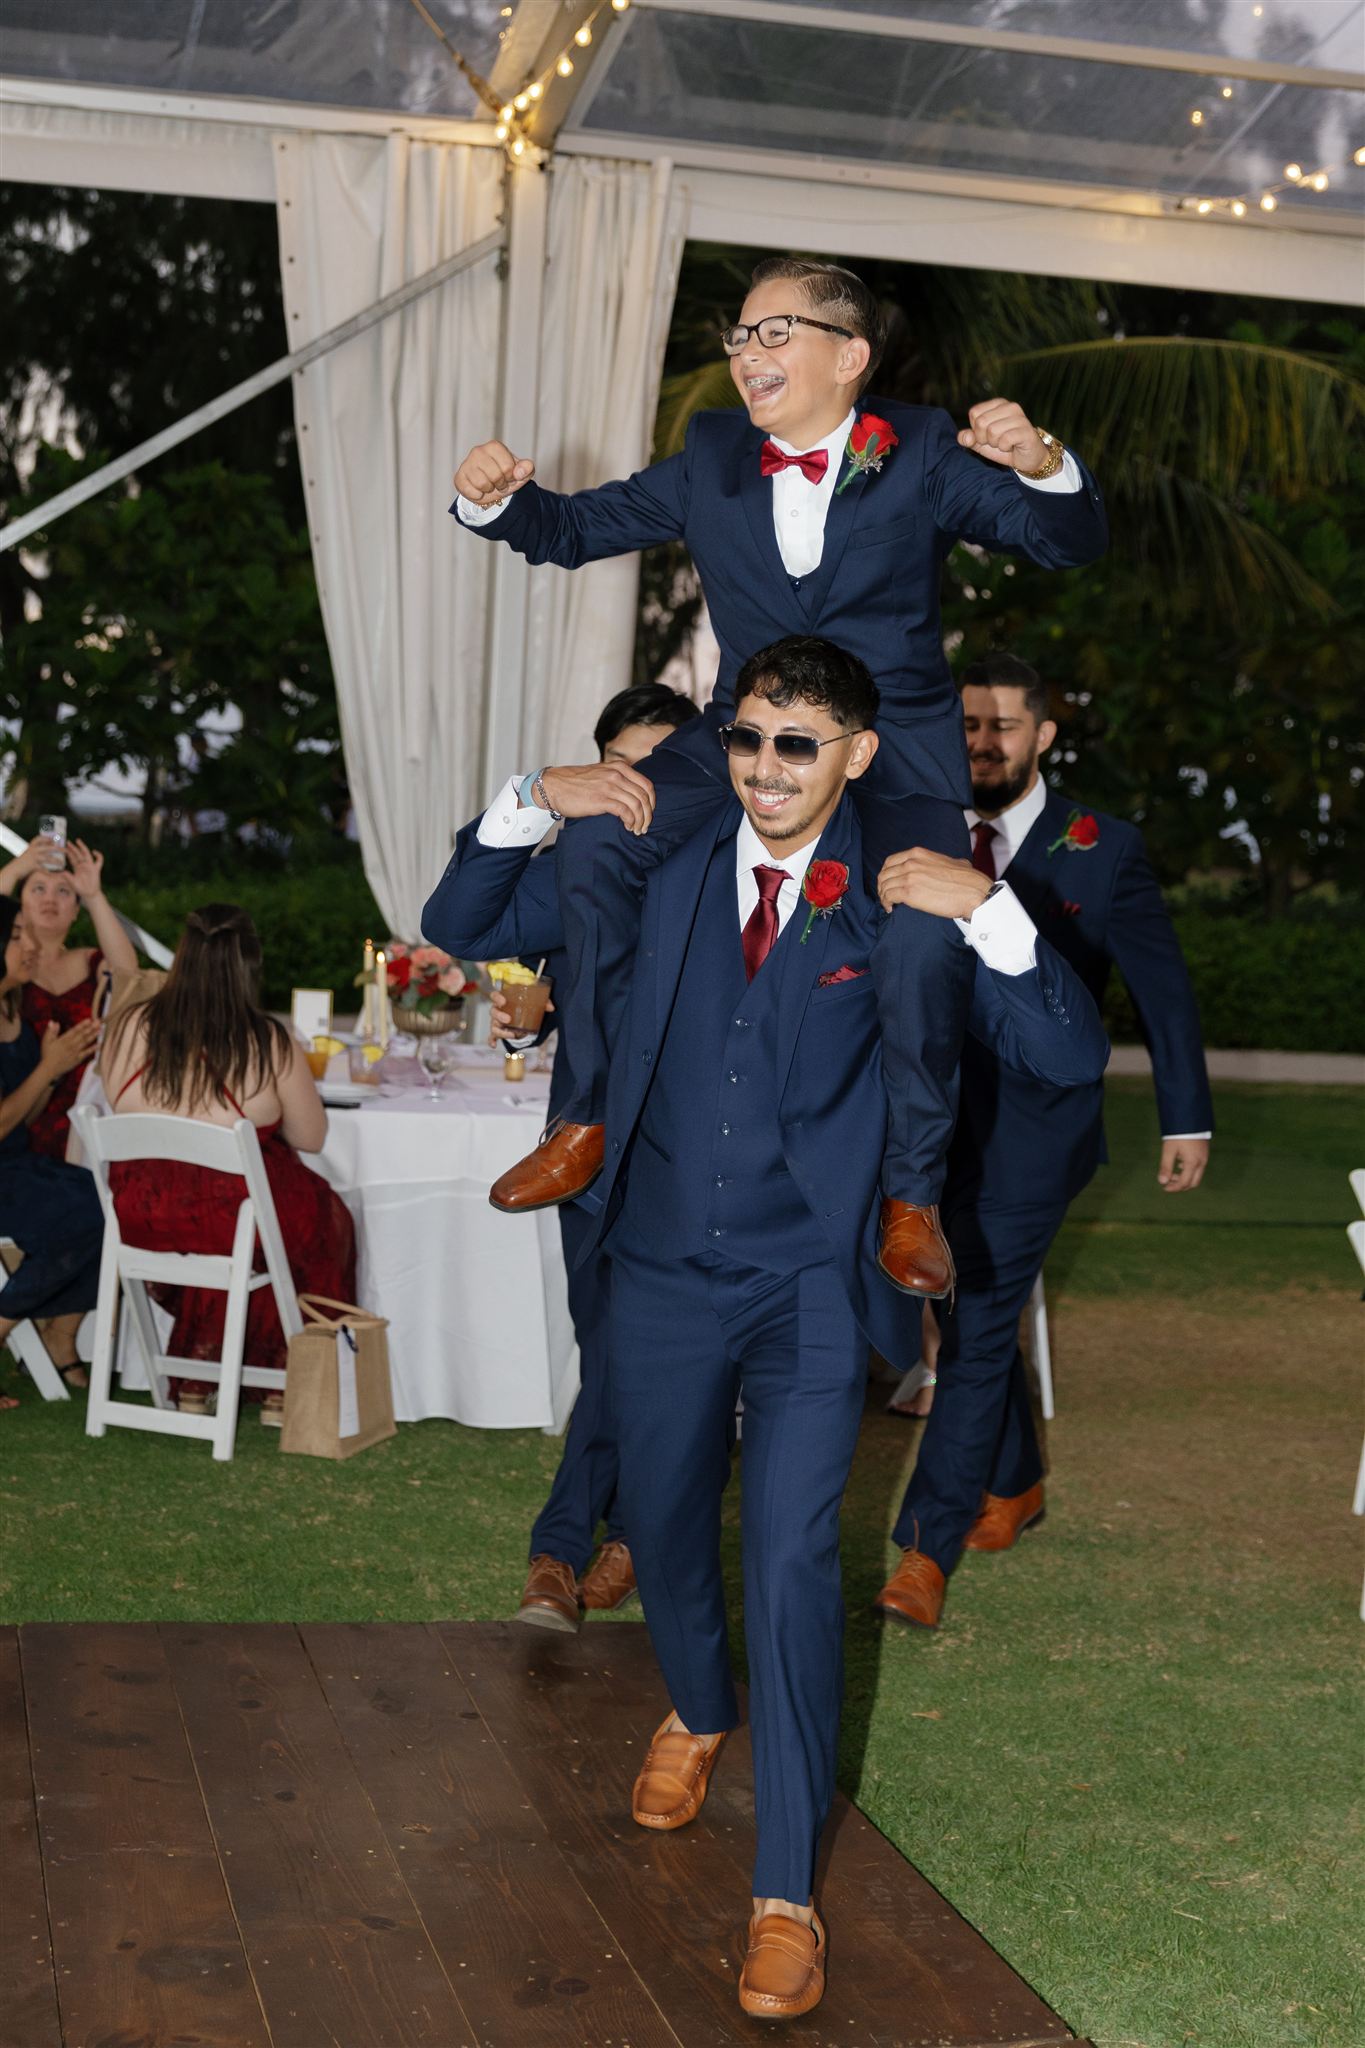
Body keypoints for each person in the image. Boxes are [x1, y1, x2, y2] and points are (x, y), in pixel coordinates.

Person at [431, 635, 1109, 2019]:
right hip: (661, 1273)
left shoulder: (903, 901)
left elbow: (1062, 1053)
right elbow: (467, 919)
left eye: (797, 745)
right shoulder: (658, 864)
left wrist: (991, 914)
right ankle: (697, 1702)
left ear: (857, 755)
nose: (764, 769)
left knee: (792, 1564)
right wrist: (528, 799)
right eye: (746, 740)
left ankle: (784, 1890)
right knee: (667, 1527)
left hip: (808, 1286)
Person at [452, 255, 1107, 1300]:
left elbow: (1061, 540)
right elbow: (573, 529)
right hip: (738, 738)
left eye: (774, 334)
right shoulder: (713, 451)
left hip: (892, 746)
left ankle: (909, 1194)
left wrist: (1043, 464)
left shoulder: (923, 446)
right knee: (599, 836)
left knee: (919, 932)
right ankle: (582, 1117)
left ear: (850, 356)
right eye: (739, 337)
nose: (747, 356)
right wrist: (491, 503)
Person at [875, 651, 1212, 1630]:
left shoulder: (1102, 844)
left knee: (975, 1325)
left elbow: (1164, 993)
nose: (982, 741)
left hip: (1032, 1134)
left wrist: (1186, 1114)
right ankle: (1015, 1478)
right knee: (951, 1312)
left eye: (1003, 725)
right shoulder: (916, 827)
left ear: (1044, 735)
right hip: (917, 1126)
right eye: (968, 724)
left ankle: (923, 1548)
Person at [426, 682, 700, 1628]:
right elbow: (457, 926)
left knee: (635, 1349)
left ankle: (558, 1547)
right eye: (625, 768)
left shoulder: (734, 859)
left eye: (669, 764)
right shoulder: (583, 855)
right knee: (609, 1345)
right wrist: (534, 797)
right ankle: (628, 1530)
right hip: (584, 1153)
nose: (642, 789)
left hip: (705, 1157)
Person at [100, 903, 356, 1417]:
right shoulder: (265, 1042)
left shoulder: (128, 1026)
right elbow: (311, 1136)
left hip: (139, 1217)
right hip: (229, 1220)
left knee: (248, 1220)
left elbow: (113, 1105)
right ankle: (281, 1387)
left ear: (181, 958)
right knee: (312, 1219)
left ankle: (195, 1381)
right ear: (250, 967)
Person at [0, 895, 105, 1406]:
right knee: (84, 1211)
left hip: (15, 1163)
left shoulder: (12, 1009)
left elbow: (27, 1115)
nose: (28, 945)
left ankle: (58, 1334)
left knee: (108, 1197)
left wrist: (51, 1069)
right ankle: (4, 1322)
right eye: (17, 936)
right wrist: (47, 1070)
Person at [0, 834, 138, 1160]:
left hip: (87, 1115)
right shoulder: (9, 973)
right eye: (38, 888)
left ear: (77, 911)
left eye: (64, 891)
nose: (51, 898)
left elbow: (128, 974)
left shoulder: (91, 962)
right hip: (20, 1118)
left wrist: (93, 893)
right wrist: (20, 866)